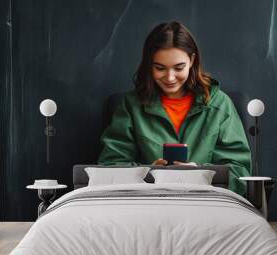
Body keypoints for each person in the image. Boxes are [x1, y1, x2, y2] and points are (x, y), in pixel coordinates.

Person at [98, 21, 251, 196]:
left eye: (179, 68)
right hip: (148, 202)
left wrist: (200, 173)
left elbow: (241, 173)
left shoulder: (220, 104)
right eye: (159, 68)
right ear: (149, 64)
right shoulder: (130, 105)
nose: (170, 78)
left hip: (205, 203)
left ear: (192, 60)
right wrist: (148, 173)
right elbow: (110, 167)